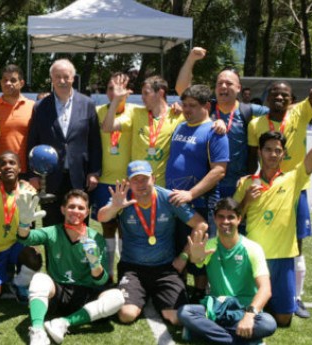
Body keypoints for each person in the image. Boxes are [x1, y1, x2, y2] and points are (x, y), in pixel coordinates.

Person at [247, 20, 312, 319]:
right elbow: (254, 160)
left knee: (297, 243)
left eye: (285, 95)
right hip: (267, 190)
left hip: (295, 188)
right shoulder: (256, 124)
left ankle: (296, 297)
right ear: (267, 99)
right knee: (262, 240)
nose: (279, 97)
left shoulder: (301, 112)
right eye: (274, 93)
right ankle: (258, 288)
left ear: (291, 100)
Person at [235, 84, 312, 327]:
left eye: (277, 151)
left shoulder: (294, 179)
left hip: (282, 259)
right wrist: (247, 199)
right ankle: (258, 298)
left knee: (283, 320)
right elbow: (235, 220)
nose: (271, 154)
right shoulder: (246, 183)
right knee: (252, 314)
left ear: (283, 155)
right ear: (259, 152)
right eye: (267, 150)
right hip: (256, 258)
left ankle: (276, 299)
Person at [98, 160, 208, 325]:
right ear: (128, 182)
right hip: (132, 268)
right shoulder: (123, 198)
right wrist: (114, 207)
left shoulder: (168, 198)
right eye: (135, 180)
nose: (140, 184)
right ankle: (137, 294)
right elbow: (101, 217)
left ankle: (155, 295)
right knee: (126, 315)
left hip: (165, 268)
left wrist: (184, 256)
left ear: (154, 179)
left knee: (177, 318)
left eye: (145, 179)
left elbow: (201, 224)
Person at [17, 190, 124, 345]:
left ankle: (64, 323)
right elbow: (24, 238)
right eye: (71, 206)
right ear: (63, 209)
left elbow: (102, 281)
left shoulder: (96, 238)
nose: (76, 211)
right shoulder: (52, 232)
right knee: (39, 278)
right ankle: (38, 331)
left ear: (87, 212)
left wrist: (94, 263)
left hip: (86, 297)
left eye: (81, 208)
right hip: (59, 292)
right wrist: (24, 224)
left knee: (117, 297)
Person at [178, 197, 277, 344]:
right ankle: (240, 339)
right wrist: (195, 257)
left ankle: (203, 333)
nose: (225, 222)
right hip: (216, 309)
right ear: (215, 219)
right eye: (221, 217)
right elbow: (197, 261)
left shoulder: (253, 248)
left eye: (230, 217)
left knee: (268, 323)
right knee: (185, 312)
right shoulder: (209, 245)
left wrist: (249, 316)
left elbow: (266, 289)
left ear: (239, 219)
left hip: (244, 310)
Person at [166, 84, 229, 300]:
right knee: (178, 246)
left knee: (200, 251)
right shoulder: (180, 126)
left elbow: (220, 170)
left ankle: (201, 292)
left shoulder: (215, 132)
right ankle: (180, 290)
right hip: (175, 200)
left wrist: (191, 194)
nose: (187, 109)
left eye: (193, 106)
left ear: (207, 106)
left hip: (201, 201)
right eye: (184, 105)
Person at [176, 49, 268, 197]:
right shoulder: (206, 108)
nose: (223, 87)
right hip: (207, 184)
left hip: (238, 185)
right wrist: (191, 59)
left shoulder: (249, 111)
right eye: (220, 83)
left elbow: (281, 111)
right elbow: (183, 91)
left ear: (238, 88)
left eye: (229, 83)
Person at [27, 58, 102, 226]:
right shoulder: (40, 107)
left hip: (79, 176)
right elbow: (33, 141)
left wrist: (94, 172)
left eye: (66, 77)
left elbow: (94, 142)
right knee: (51, 225)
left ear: (73, 78)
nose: (62, 81)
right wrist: (33, 174)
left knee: (78, 223)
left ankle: (78, 253)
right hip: (50, 177)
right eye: (57, 77)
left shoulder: (87, 104)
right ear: (52, 79)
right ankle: (53, 253)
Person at [0, 151, 42, 304]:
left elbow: (30, 229)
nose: (7, 166)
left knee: (34, 256)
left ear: (20, 168)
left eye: (12, 163)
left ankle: (20, 283)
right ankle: (5, 271)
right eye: (3, 164)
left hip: (16, 245)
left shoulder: (29, 192)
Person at [92, 72, 136, 277]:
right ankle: (109, 272)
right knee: (107, 226)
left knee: (127, 229)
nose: (114, 92)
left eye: (119, 88)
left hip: (129, 183)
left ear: (129, 91)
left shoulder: (137, 112)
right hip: (104, 182)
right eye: (110, 88)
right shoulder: (97, 111)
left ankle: (126, 271)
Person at [0, 64, 34, 176]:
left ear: (22, 83)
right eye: (5, 80)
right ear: (0, 83)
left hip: (26, 170)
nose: (8, 83)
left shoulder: (33, 107)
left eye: (13, 80)